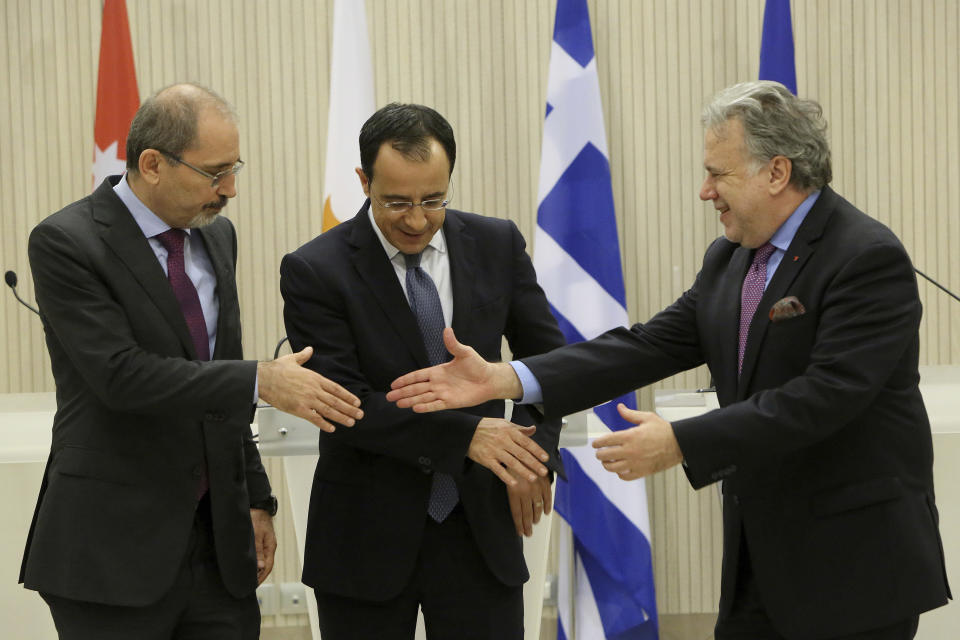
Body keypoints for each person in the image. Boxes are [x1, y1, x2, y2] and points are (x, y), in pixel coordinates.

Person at [387, 81, 952, 640]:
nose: (706, 191)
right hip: (761, 564)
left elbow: (825, 397)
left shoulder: (865, 257)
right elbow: (646, 346)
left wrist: (682, 441)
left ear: (777, 172)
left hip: (856, 565)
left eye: (718, 173)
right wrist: (506, 377)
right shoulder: (731, 256)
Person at [20, 83, 364, 640]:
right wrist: (260, 380)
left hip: (218, 549)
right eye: (213, 172)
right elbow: (120, 376)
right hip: (112, 549)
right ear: (152, 164)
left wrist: (256, 498)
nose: (228, 189)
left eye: (234, 168)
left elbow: (217, 381)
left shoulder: (215, 235)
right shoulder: (67, 241)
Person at [279, 102, 566, 639]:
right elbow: (347, 403)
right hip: (366, 534)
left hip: (480, 528)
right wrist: (471, 436)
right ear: (364, 181)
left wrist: (533, 457)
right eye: (397, 202)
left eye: (433, 200)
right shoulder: (315, 270)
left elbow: (547, 364)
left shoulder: (497, 244)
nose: (416, 220)